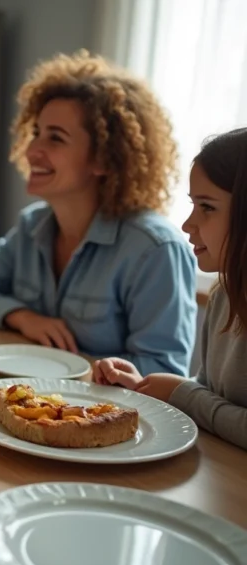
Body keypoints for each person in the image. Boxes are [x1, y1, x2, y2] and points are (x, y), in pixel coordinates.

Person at [0, 50, 197, 376]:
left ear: (104, 159)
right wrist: (22, 316)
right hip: (28, 396)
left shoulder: (155, 249)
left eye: (56, 138)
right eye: (36, 133)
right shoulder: (32, 224)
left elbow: (165, 368)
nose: (32, 150)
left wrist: (83, 372)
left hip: (100, 414)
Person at [94, 127, 247, 450]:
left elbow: (198, 400)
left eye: (207, 207)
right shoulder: (225, 294)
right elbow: (209, 394)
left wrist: (183, 393)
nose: (188, 224)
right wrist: (142, 385)